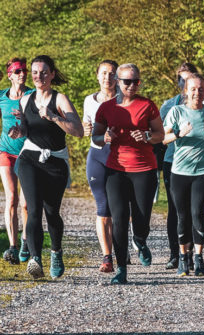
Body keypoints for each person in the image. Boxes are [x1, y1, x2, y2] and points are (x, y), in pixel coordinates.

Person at [8, 55, 83, 279]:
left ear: (51, 74)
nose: (38, 76)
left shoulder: (60, 100)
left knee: (52, 213)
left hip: (55, 162)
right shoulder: (25, 100)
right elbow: (25, 130)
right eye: (34, 72)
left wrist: (53, 117)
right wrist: (18, 132)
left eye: (43, 72)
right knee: (33, 208)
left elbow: (77, 131)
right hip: (29, 158)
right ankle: (35, 258)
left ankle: (56, 252)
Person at [92, 63, 164, 284]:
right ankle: (121, 268)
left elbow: (160, 134)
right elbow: (95, 137)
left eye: (136, 81)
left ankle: (140, 240)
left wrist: (147, 137)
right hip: (116, 170)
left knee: (141, 219)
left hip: (144, 169)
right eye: (126, 82)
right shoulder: (106, 108)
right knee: (120, 218)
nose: (131, 86)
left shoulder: (147, 105)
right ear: (117, 82)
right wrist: (105, 138)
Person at [163, 73, 204, 277]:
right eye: (193, 89)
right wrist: (178, 133)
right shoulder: (176, 111)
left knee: (197, 213)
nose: (197, 93)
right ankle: (183, 258)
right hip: (179, 172)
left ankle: (199, 258)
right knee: (182, 215)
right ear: (185, 90)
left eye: (201, 89)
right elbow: (163, 139)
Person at [160, 62, 198, 270]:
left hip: (198, 164)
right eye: (181, 80)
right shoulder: (169, 106)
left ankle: (193, 253)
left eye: (189, 79)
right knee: (175, 209)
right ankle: (175, 254)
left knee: (194, 210)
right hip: (172, 162)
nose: (185, 83)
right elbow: (159, 135)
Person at [83, 59, 118, 273]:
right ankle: (107, 257)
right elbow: (86, 127)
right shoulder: (90, 100)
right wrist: (85, 128)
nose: (107, 77)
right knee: (103, 208)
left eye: (112, 73)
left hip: (121, 158)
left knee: (120, 209)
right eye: (104, 73)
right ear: (97, 76)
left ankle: (128, 244)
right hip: (97, 156)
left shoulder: (124, 100)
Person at [0, 58, 34, 264]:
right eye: (18, 71)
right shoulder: (2, 97)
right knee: (11, 198)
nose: (23, 74)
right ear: (10, 75)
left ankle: (25, 242)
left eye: (24, 71)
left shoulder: (32, 95)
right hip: (5, 151)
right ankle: (12, 247)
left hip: (28, 152)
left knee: (26, 203)